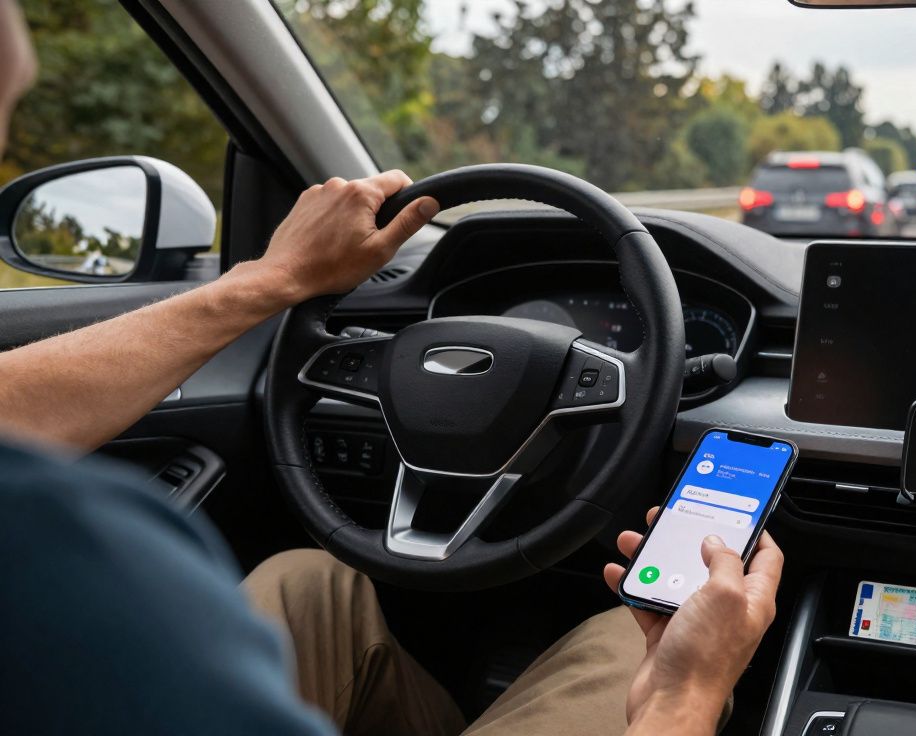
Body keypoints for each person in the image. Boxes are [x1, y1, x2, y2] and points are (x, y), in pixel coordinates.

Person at [0, 2, 782, 734]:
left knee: (313, 583)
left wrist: (274, 281)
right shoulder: (64, 549)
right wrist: (686, 694)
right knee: (636, 639)